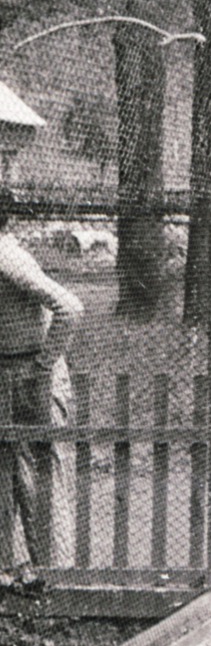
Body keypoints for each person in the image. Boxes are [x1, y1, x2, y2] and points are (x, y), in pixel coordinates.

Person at [0, 189, 84, 565]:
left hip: (34, 376)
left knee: (41, 479)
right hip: (8, 373)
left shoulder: (7, 257)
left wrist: (43, 365)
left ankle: (57, 580)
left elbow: (69, 307)